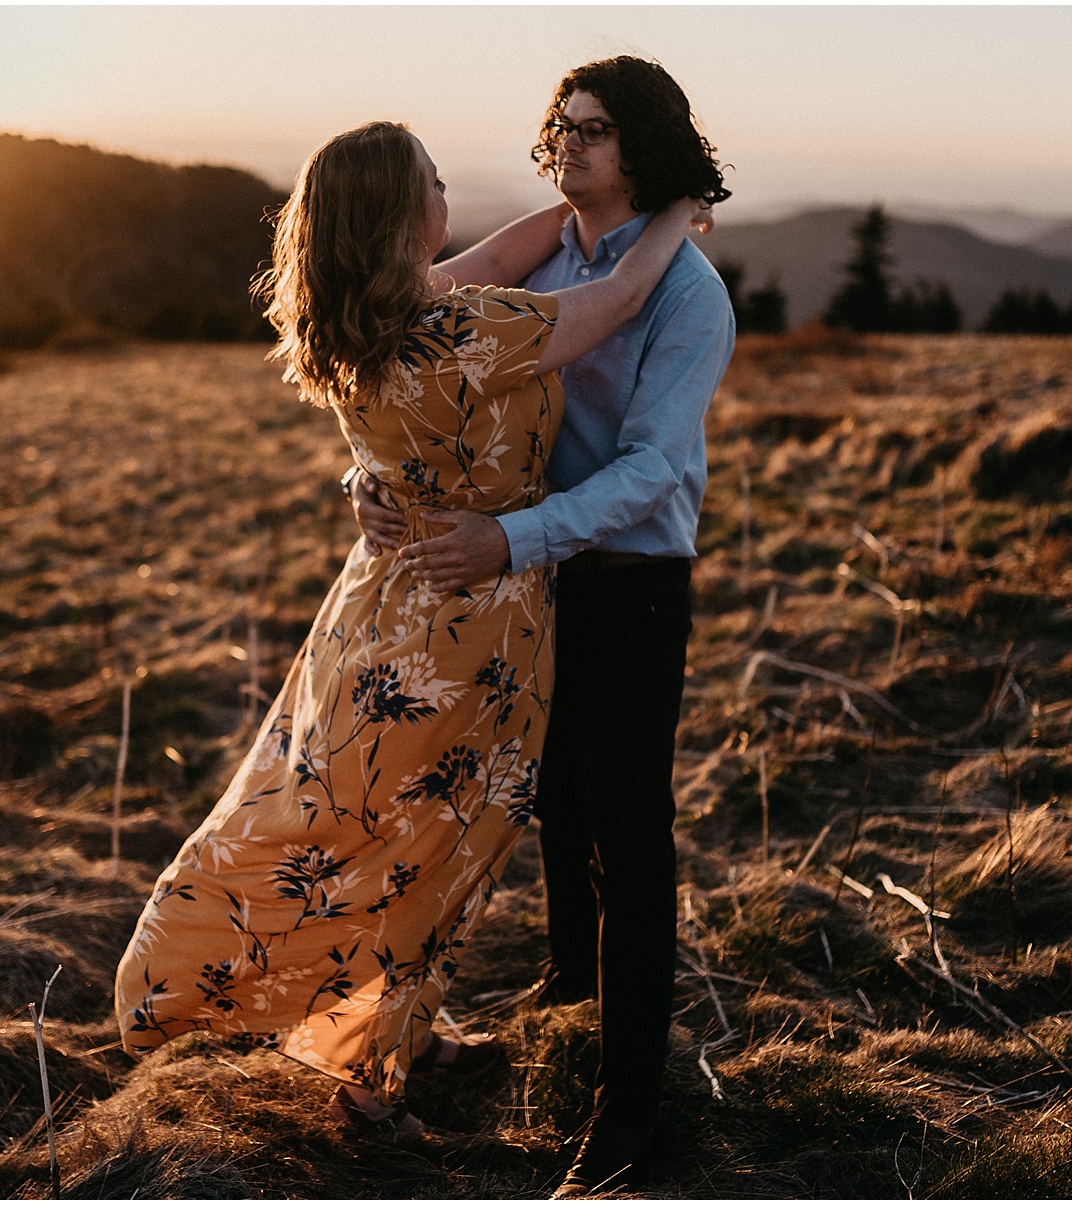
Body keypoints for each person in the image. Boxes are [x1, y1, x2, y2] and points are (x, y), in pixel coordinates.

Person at [112, 120, 710, 1141]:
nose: (448, 189)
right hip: (468, 632)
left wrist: (587, 213)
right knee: (429, 844)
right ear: (402, 214)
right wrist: (675, 216)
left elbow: (509, 253)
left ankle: (381, 1026)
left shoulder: (363, 324)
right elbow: (612, 303)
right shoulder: (459, 329)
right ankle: (374, 1080)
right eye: (433, 179)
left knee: (351, 815)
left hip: (379, 610)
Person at [352, 57, 735, 1194]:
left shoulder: (686, 292)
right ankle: (571, 992)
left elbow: (653, 470)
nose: (572, 145)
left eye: (600, 132)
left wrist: (512, 539)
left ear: (646, 150)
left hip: (627, 579)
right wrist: (363, 480)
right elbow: (412, 356)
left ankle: (628, 1116)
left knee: (629, 832)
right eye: (564, 126)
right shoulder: (548, 256)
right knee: (550, 798)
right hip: (529, 576)